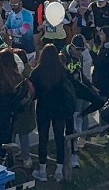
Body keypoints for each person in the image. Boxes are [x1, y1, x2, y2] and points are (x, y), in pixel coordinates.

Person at [30, 43, 74, 181]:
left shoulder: (37, 72)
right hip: (59, 108)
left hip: (43, 108)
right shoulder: (62, 71)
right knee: (59, 137)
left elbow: (32, 92)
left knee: (43, 138)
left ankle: (42, 170)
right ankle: (59, 170)